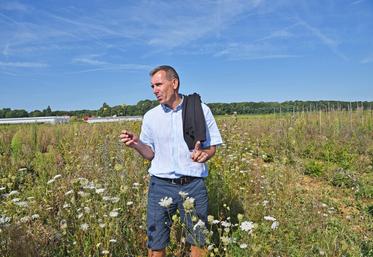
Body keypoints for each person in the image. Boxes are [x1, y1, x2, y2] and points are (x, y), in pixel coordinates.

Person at [119, 65, 222, 257]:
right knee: (156, 242)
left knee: (198, 239)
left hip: (193, 185)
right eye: (152, 86)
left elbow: (212, 146)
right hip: (161, 185)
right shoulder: (151, 116)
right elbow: (149, 154)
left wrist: (206, 155)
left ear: (174, 83)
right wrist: (136, 143)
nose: (155, 90)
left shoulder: (200, 110)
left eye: (159, 84)